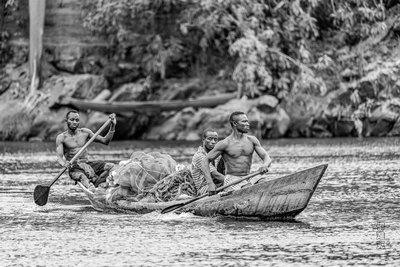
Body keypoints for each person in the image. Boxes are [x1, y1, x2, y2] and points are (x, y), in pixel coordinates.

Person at [201, 111, 272, 193]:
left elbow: (266, 157)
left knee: (266, 182)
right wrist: (210, 183)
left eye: (247, 121)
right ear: (235, 123)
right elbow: (204, 161)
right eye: (244, 121)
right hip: (232, 180)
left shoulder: (252, 140)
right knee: (248, 188)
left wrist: (264, 165)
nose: (248, 124)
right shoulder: (225, 143)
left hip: (249, 176)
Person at [56, 110, 117, 189]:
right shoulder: (61, 137)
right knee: (82, 176)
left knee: (111, 166)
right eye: (72, 120)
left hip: (87, 164)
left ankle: (98, 183)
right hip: (75, 168)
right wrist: (64, 164)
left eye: (77, 120)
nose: (74, 122)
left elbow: (105, 141)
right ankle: (90, 186)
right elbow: (59, 157)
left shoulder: (85, 132)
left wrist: (113, 126)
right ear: (66, 121)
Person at [191, 128, 225, 195]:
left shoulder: (215, 154)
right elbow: (216, 175)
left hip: (217, 183)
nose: (213, 142)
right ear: (203, 140)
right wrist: (232, 180)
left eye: (215, 139)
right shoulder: (200, 156)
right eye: (210, 139)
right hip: (205, 188)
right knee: (233, 184)